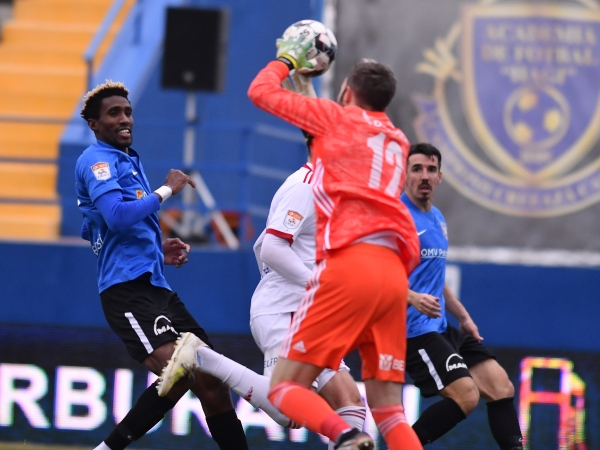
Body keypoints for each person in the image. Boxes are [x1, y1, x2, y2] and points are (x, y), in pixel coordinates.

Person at [159, 41, 424, 450]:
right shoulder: (398, 142)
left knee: (289, 396)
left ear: (347, 93)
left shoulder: (334, 130)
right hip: (388, 275)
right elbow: (275, 241)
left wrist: (287, 61)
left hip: (345, 273)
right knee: (386, 411)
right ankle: (348, 435)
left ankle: (343, 435)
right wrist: (308, 88)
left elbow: (265, 94)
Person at [75, 80, 249, 450]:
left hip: (156, 288)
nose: (125, 119)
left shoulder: (127, 159)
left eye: (127, 111)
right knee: (179, 370)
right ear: (94, 124)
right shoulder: (97, 161)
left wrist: (156, 250)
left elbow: (104, 228)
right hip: (127, 291)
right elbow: (116, 217)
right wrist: (166, 189)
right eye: (113, 113)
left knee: (213, 383)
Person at [401, 142, 523, 449]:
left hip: (440, 327)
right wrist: (412, 297)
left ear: (440, 177)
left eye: (431, 169)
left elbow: (435, 276)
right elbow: (376, 275)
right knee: (466, 396)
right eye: (417, 169)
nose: (424, 176)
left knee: (501, 386)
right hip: (412, 332)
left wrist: (463, 316)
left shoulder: (437, 217)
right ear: (404, 175)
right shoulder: (397, 219)